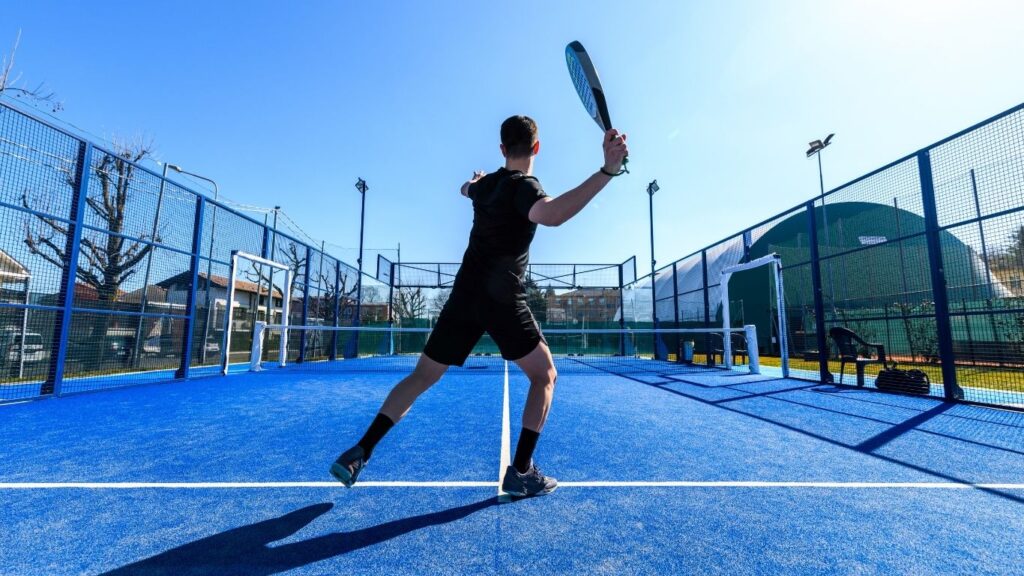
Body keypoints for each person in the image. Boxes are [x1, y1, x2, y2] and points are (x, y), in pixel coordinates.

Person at [331, 115, 628, 497]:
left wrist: (476, 180)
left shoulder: (484, 186)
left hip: (464, 296)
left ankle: (361, 450)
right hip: (501, 299)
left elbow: (464, 188)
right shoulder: (525, 187)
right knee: (545, 376)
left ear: (503, 149)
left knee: (421, 377)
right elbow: (551, 215)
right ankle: (521, 471)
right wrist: (607, 170)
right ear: (536, 148)